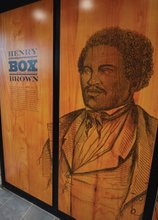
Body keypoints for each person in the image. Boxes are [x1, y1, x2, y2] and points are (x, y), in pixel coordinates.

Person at [40, 27, 158, 220]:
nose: (91, 81)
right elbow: (43, 180)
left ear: (134, 79)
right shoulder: (61, 126)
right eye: (86, 70)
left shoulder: (152, 135)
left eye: (105, 70)